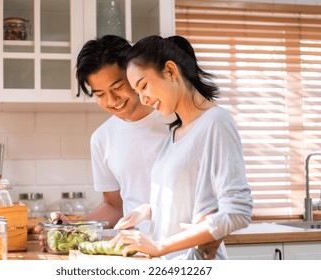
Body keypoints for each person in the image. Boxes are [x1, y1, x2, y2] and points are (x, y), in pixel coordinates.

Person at [38, 35, 222, 259]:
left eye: (118, 87)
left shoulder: (181, 117)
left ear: (134, 74)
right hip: (139, 256)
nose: (112, 100)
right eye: (100, 94)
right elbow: (115, 206)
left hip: (194, 254)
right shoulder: (102, 138)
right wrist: (70, 228)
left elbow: (218, 200)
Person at [110, 35, 253, 260]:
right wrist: (145, 211)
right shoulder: (175, 132)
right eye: (138, 93)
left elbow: (237, 211)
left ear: (170, 70)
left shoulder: (216, 122)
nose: (144, 99)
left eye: (144, 86)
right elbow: (183, 199)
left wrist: (159, 247)